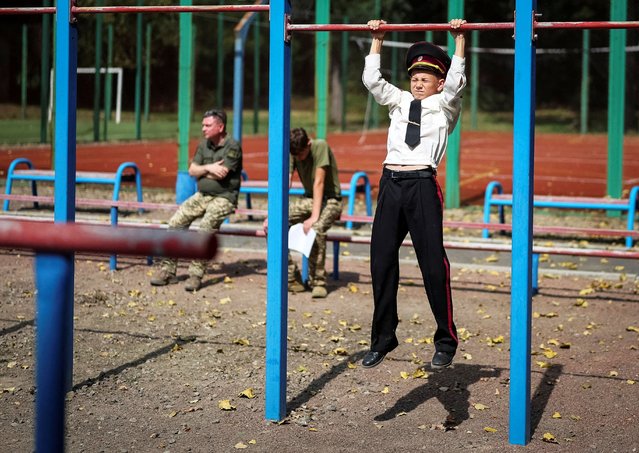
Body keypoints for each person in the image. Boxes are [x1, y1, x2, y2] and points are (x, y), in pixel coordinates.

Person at [360, 19, 467, 369]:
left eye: (426, 79)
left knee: (433, 264)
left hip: (421, 184)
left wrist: (460, 41)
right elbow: (373, 81)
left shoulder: (446, 105)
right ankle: (384, 337)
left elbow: (456, 82)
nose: (419, 83)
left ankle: (446, 341)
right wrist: (378, 40)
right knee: (381, 260)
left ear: (439, 83)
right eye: (415, 78)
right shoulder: (399, 101)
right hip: (391, 183)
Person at [150, 109, 242, 292]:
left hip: (224, 197)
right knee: (176, 222)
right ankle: (168, 270)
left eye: (207, 125)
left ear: (220, 126)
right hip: (202, 195)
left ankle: (195, 275)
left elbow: (221, 175)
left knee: (205, 228)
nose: (203, 129)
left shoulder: (233, 146)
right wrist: (209, 168)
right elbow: (192, 171)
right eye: (203, 125)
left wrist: (203, 171)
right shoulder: (203, 145)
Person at [263, 128, 343, 299]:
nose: (298, 157)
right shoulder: (293, 151)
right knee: (273, 225)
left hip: (330, 200)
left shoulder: (320, 146)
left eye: (301, 154)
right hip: (308, 199)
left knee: (317, 228)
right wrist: (274, 214)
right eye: (295, 155)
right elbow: (286, 182)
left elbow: (319, 182)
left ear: (308, 144)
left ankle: (318, 281)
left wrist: (314, 217)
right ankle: (292, 278)